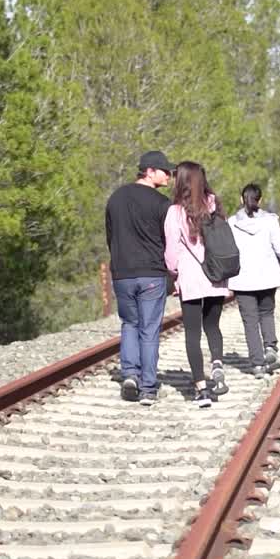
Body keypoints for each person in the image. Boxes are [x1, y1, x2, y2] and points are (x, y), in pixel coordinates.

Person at [105, 150, 175, 406]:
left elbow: (110, 237)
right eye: (165, 171)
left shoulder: (115, 198)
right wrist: (173, 273)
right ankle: (147, 387)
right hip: (151, 274)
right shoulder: (162, 204)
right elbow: (170, 242)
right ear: (149, 171)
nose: (169, 175)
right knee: (149, 330)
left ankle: (129, 375)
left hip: (122, 274)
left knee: (129, 324)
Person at [164, 161, 228, 408]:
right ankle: (218, 364)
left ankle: (202, 390)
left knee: (192, 333)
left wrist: (172, 272)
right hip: (216, 274)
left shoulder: (175, 213)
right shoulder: (215, 204)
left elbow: (171, 253)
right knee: (212, 325)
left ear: (181, 181)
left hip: (190, 279)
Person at [227, 184, 280, 377]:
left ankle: (257, 365)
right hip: (267, 278)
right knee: (267, 314)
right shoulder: (270, 221)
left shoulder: (230, 223)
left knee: (250, 322)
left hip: (242, 280)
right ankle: (270, 348)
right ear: (260, 200)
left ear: (241, 199)